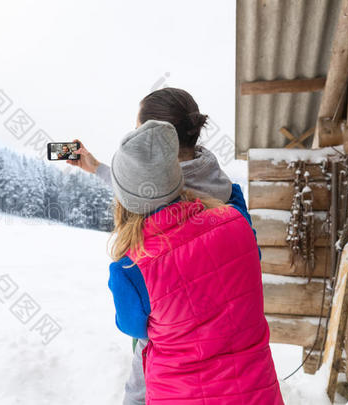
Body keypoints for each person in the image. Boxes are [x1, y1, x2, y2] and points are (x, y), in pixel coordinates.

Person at [68, 88, 257, 405]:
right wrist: (98, 167)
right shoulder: (226, 193)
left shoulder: (140, 254)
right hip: (236, 345)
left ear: (156, 138)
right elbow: (252, 255)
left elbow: (134, 324)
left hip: (172, 357)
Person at [106, 120, 284, 404]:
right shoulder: (237, 222)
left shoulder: (130, 269)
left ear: (124, 200)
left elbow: (134, 328)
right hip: (256, 392)